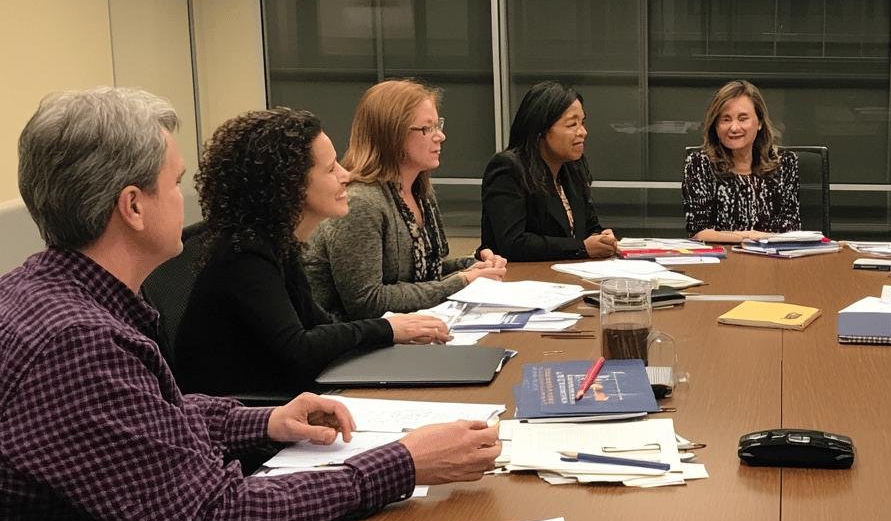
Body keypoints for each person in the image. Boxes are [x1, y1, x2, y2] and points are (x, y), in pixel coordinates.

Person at [0, 87, 503, 521]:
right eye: (174, 184)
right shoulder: (76, 342)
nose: (185, 199)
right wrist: (402, 463)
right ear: (132, 206)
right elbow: (207, 516)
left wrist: (261, 420)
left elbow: (146, 416)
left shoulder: (43, 290)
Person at [173, 108, 455, 397]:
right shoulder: (243, 255)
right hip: (248, 417)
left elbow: (318, 325)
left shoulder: (278, 242)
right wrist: (387, 329)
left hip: (286, 398)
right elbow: (299, 348)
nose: (346, 175)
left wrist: (390, 332)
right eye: (332, 168)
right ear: (290, 183)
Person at [306, 79, 507, 320]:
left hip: (403, 333)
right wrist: (461, 281)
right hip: (347, 342)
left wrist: (472, 266)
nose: (440, 136)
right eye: (426, 128)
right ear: (392, 135)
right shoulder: (360, 202)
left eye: (438, 125)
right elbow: (367, 301)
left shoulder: (419, 192)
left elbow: (423, 276)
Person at [479, 81, 616, 261]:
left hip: (568, 276)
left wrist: (602, 239)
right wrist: (581, 247)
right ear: (540, 130)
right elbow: (513, 243)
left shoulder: (572, 167)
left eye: (582, 122)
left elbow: (590, 228)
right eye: (571, 124)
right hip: (519, 280)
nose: (583, 132)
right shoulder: (508, 168)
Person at [681, 80, 801, 242]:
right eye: (726, 119)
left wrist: (735, 236)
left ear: (759, 122)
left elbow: (791, 229)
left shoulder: (785, 163)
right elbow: (698, 231)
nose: (734, 127)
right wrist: (749, 236)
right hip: (720, 259)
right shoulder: (699, 164)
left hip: (773, 259)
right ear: (716, 126)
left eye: (743, 118)